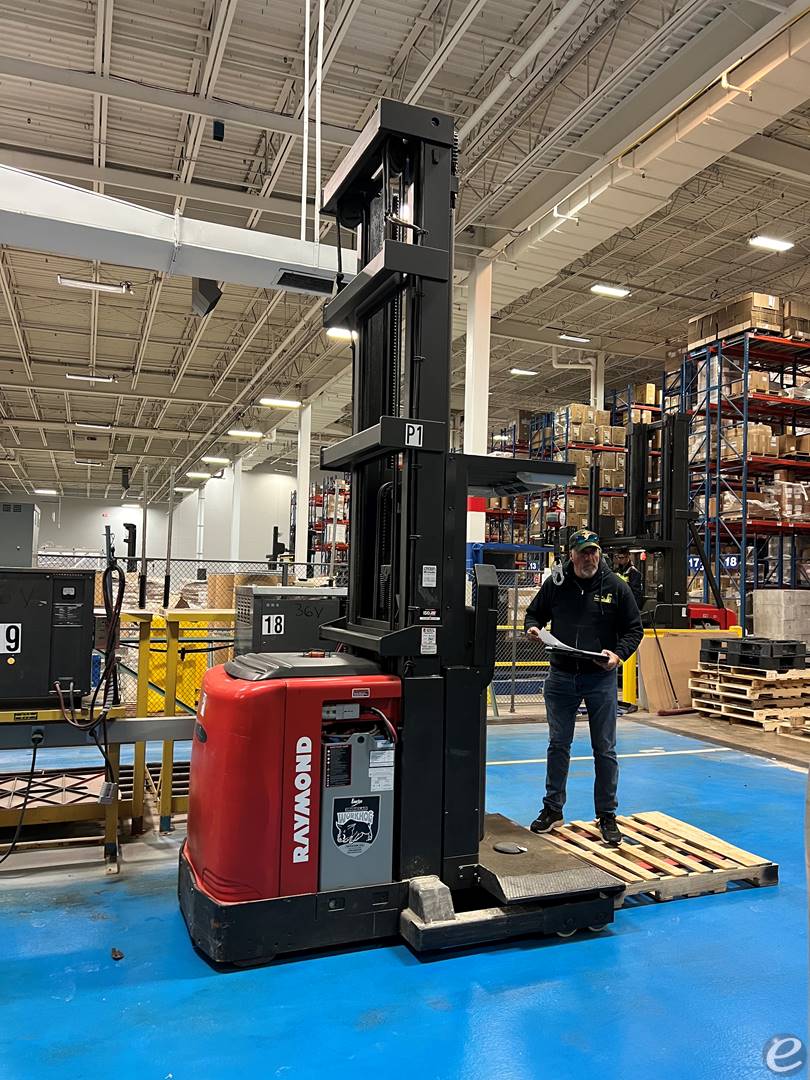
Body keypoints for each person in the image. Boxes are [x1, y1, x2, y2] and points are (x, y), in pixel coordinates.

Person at [524, 529, 643, 846]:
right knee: (558, 744)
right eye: (583, 552)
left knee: (604, 748)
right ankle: (552, 810)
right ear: (572, 555)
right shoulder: (557, 584)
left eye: (594, 552)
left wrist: (618, 655)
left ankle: (607, 815)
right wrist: (533, 628)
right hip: (562, 676)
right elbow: (534, 613)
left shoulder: (616, 587)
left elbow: (634, 629)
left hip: (599, 679)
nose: (589, 558)